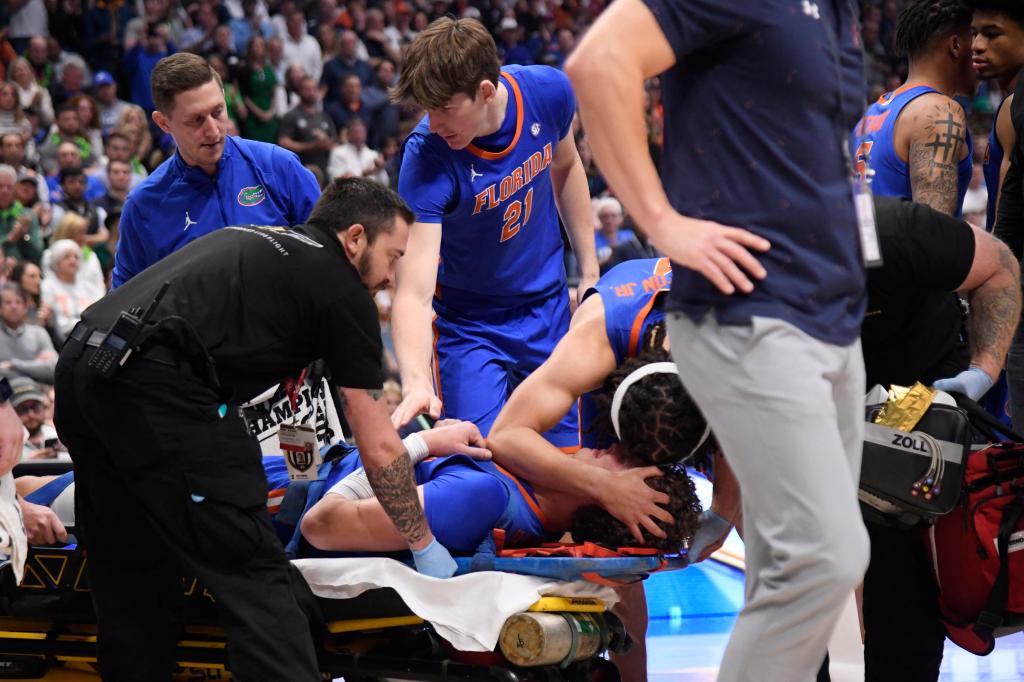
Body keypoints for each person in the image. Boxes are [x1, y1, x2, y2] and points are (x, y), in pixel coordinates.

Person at [565, 1, 867, 681]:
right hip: (751, 310)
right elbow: (599, 62)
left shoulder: (839, 12)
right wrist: (662, 221)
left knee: (788, 564)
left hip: (831, 316)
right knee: (826, 557)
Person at [53, 178, 453, 681]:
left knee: (131, 572)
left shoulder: (256, 239)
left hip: (80, 367)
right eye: (393, 257)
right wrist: (421, 541)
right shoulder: (341, 289)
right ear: (354, 239)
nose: (393, 278)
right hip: (152, 385)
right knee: (257, 577)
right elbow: (376, 443)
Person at [389, 18, 599, 445]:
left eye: (444, 107)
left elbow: (566, 165)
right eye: (426, 109)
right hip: (470, 326)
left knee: (567, 459)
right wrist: (414, 381)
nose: (433, 122)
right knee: (481, 457)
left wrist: (591, 272)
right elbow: (413, 291)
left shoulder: (549, 92)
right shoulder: (427, 156)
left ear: (485, 91)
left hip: (548, 306)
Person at [847, 195, 1022, 681]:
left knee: (899, 561)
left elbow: (999, 267)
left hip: (916, 385)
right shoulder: (738, 270)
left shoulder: (893, 230)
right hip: (814, 388)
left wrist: (982, 372)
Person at [112, 52, 320, 288]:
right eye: (196, 120)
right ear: (163, 123)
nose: (213, 131)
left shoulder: (279, 166)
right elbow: (125, 300)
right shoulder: (144, 205)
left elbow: (327, 255)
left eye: (217, 112)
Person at [850, 0, 976, 217]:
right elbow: (934, 233)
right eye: (976, 36)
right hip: (903, 250)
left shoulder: (870, 114)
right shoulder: (939, 112)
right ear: (956, 45)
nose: (982, 48)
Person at [278, 76, 337, 176]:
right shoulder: (291, 116)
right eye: (307, 89)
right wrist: (312, 146)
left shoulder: (324, 116)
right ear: (299, 92)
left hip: (323, 171)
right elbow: (283, 143)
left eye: (314, 89)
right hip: (300, 170)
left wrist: (326, 142)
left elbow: (335, 143)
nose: (311, 92)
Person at [0, 284, 57, 384]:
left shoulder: (39, 333)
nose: (14, 307)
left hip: (39, 393)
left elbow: (53, 368)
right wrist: (34, 368)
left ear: (26, 307)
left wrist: (13, 364)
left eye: (18, 302)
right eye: (8, 303)